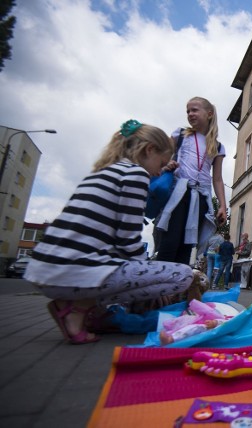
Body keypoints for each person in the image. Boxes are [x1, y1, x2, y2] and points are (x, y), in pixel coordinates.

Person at [24, 120, 195, 344]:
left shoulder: (102, 172)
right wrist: (153, 288)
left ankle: (87, 311)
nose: (158, 172)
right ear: (149, 150)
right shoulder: (136, 175)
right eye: (161, 163)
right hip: (74, 273)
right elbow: (128, 242)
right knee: (183, 275)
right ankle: (80, 308)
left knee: (132, 269)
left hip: (42, 271)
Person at [155, 96, 228, 265]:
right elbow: (160, 158)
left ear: (209, 114)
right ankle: (159, 284)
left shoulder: (217, 147)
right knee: (170, 240)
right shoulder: (180, 134)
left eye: (194, 110)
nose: (190, 114)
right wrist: (167, 164)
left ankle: (176, 287)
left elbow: (217, 178)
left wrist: (223, 206)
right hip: (178, 194)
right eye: (188, 111)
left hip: (200, 197)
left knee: (187, 245)